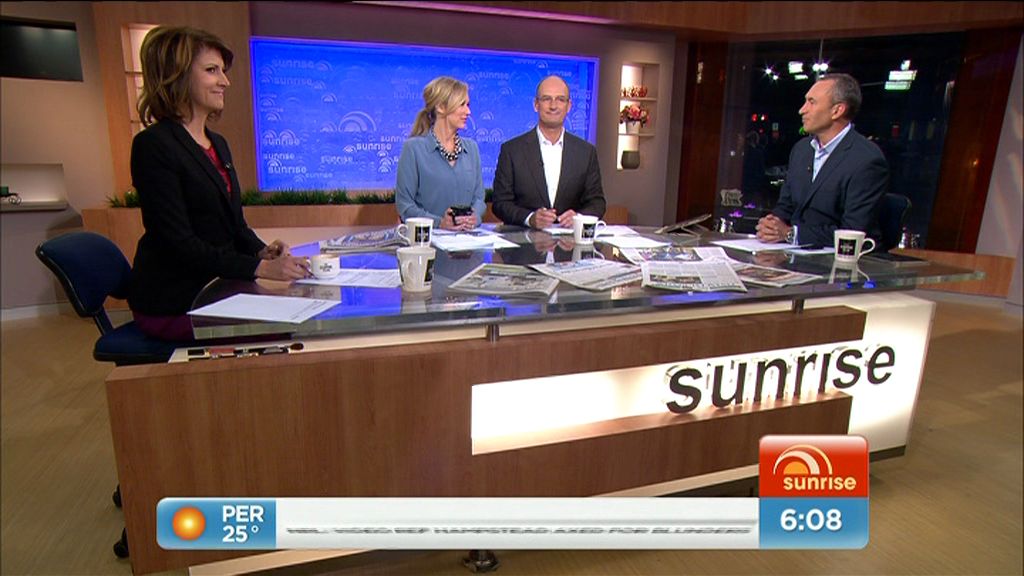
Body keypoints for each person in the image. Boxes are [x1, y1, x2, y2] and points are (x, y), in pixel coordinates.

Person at [128, 26, 309, 341]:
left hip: (220, 287)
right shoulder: (153, 145)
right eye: (212, 70)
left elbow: (235, 226)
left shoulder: (218, 144)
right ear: (177, 75)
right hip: (177, 300)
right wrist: (260, 270)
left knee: (300, 315)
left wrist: (262, 251)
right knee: (284, 331)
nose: (225, 81)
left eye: (223, 71)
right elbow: (178, 244)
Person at [756, 73, 888, 248]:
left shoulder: (866, 160)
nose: (802, 110)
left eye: (811, 102)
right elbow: (786, 206)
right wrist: (771, 224)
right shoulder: (802, 150)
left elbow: (853, 231)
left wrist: (791, 234)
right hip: (795, 253)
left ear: (837, 110)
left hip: (842, 257)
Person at [491, 75, 606, 229]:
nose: (553, 106)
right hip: (523, 241)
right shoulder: (512, 150)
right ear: (536, 104)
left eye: (560, 99)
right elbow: (500, 203)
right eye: (546, 99)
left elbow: (597, 203)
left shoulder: (586, 152)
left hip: (570, 241)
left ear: (569, 106)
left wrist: (579, 217)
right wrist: (530, 218)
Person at [395, 76, 485, 231]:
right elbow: (405, 206)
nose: (468, 112)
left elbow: (479, 199)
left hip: (468, 240)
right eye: (462, 104)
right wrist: (439, 223)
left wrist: (473, 218)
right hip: (428, 239)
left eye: (468, 105)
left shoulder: (472, 149)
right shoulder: (413, 149)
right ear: (441, 107)